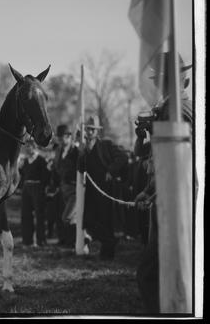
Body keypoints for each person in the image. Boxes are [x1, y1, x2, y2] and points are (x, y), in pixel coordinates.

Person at [134, 53, 193, 314]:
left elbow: (177, 163)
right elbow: (157, 159)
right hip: (168, 196)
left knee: (151, 272)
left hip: (174, 198)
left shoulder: (176, 110)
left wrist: (151, 193)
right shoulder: (176, 108)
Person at [77, 115, 128, 260]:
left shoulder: (106, 145)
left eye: (92, 129)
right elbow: (80, 169)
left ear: (97, 131)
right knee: (92, 221)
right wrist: (81, 153)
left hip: (106, 191)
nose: (90, 132)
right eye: (88, 129)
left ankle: (107, 254)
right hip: (92, 192)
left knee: (107, 222)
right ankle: (102, 246)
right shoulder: (84, 148)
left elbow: (123, 157)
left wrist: (111, 171)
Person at [19, 140, 52, 247]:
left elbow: (46, 176)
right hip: (26, 188)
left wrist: (43, 188)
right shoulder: (25, 161)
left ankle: (40, 240)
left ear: (34, 147)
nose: (28, 149)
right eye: (26, 147)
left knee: (39, 215)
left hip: (38, 188)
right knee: (26, 214)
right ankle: (27, 240)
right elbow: (22, 175)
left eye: (30, 147)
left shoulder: (41, 160)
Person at [53, 124, 79, 247]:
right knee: (60, 218)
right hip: (62, 189)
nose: (60, 140)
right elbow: (57, 169)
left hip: (75, 190)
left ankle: (81, 240)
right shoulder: (58, 150)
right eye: (58, 137)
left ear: (69, 137)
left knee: (67, 217)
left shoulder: (77, 151)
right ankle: (66, 242)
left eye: (62, 137)